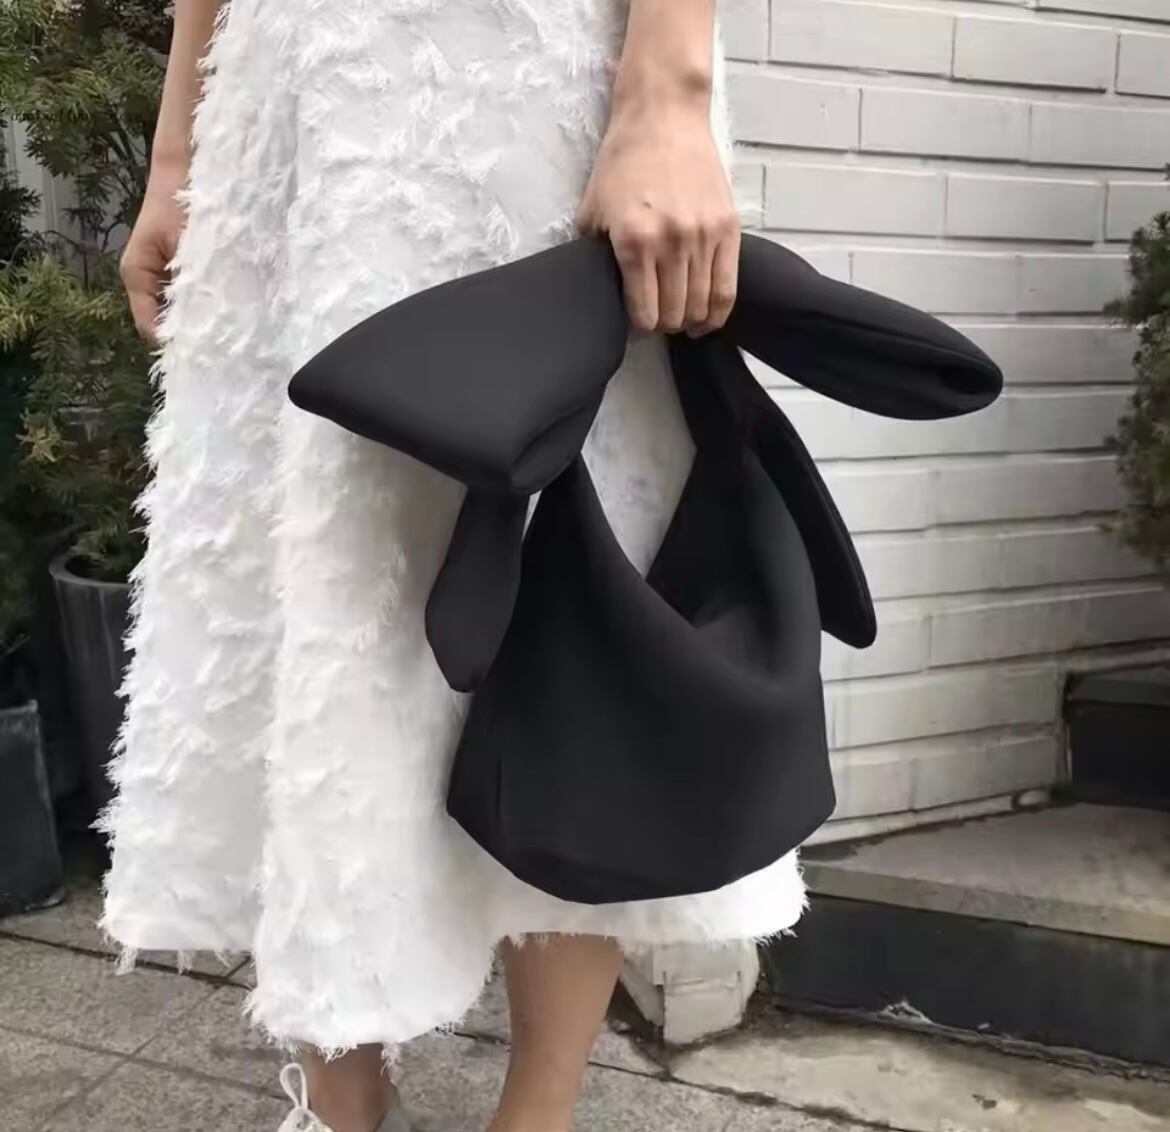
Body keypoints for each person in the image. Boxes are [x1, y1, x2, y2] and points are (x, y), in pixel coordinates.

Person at [109, 2, 807, 1130]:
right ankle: (342, 1106)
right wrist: (176, 149)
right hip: (290, 89)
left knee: (580, 563)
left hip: (538, 63)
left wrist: (668, 89)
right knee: (318, 557)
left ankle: (538, 1115)